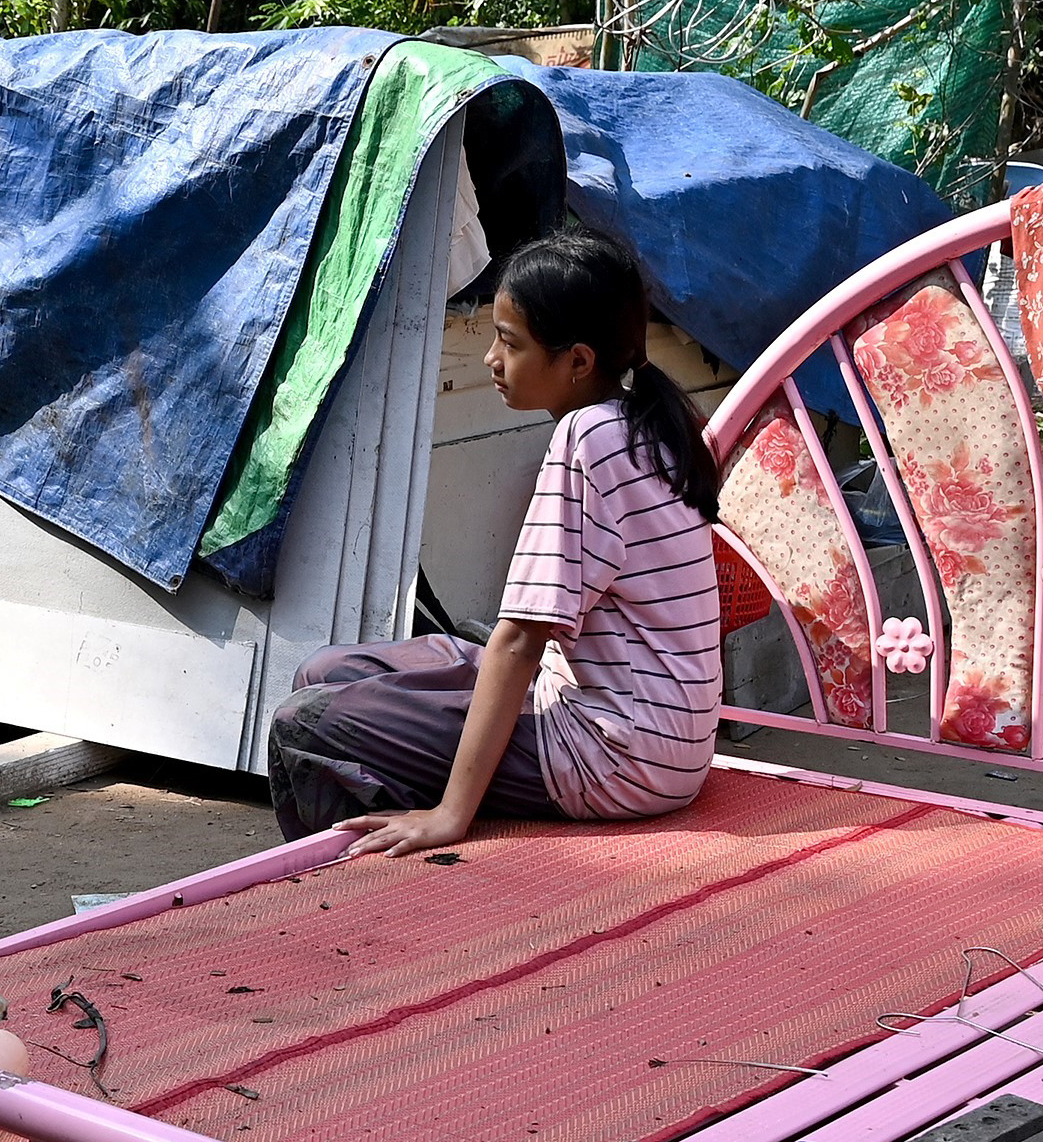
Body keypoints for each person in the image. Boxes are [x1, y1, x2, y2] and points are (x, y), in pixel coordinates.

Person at [264, 220, 725, 849]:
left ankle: (363, 876)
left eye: (509, 343)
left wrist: (451, 815)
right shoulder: (645, 423)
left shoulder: (588, 439)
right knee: (325, 672)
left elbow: (518, 640)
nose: (491, 360)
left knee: (306, 725)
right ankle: (402, 800)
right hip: (657, 739)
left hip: (618, 756)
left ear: (578, 361)